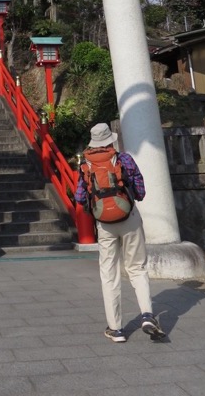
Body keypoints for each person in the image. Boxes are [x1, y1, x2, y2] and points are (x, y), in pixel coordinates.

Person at [74, 122, 167, 343]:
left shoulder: (85, 164)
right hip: (129, 218)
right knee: (136, 267)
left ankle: (116, 329)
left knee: (109, 273)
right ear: (110, 140)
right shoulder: (123, 159)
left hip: (104, 224)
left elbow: (79, 197)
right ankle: (147, 315)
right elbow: (140, 189)